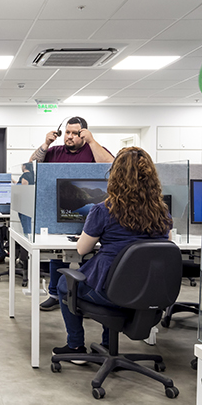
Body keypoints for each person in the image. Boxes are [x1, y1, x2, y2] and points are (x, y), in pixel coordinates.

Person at [53, 147, 173, 360]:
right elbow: (166, 246)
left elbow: (82, 249)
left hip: (112, 293)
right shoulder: (162, 211)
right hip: (149, 291)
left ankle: (75, 346)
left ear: (115, 176)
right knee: (114, 278)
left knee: (65, 283)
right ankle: (107, 345)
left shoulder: (103, 210)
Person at [30, 116, 114, 311]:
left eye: (75, 133)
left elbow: (111, 166)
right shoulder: (55, 151)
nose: (69, 136)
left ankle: (86, 295)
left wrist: (92, 141)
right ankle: (54, 294)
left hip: (93, 213)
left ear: (84, 133)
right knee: (57, 256)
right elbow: (31, 166)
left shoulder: (93, 149)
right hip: (59, 212)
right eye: (67, 132)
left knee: (89, 254)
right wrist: (45, 144)